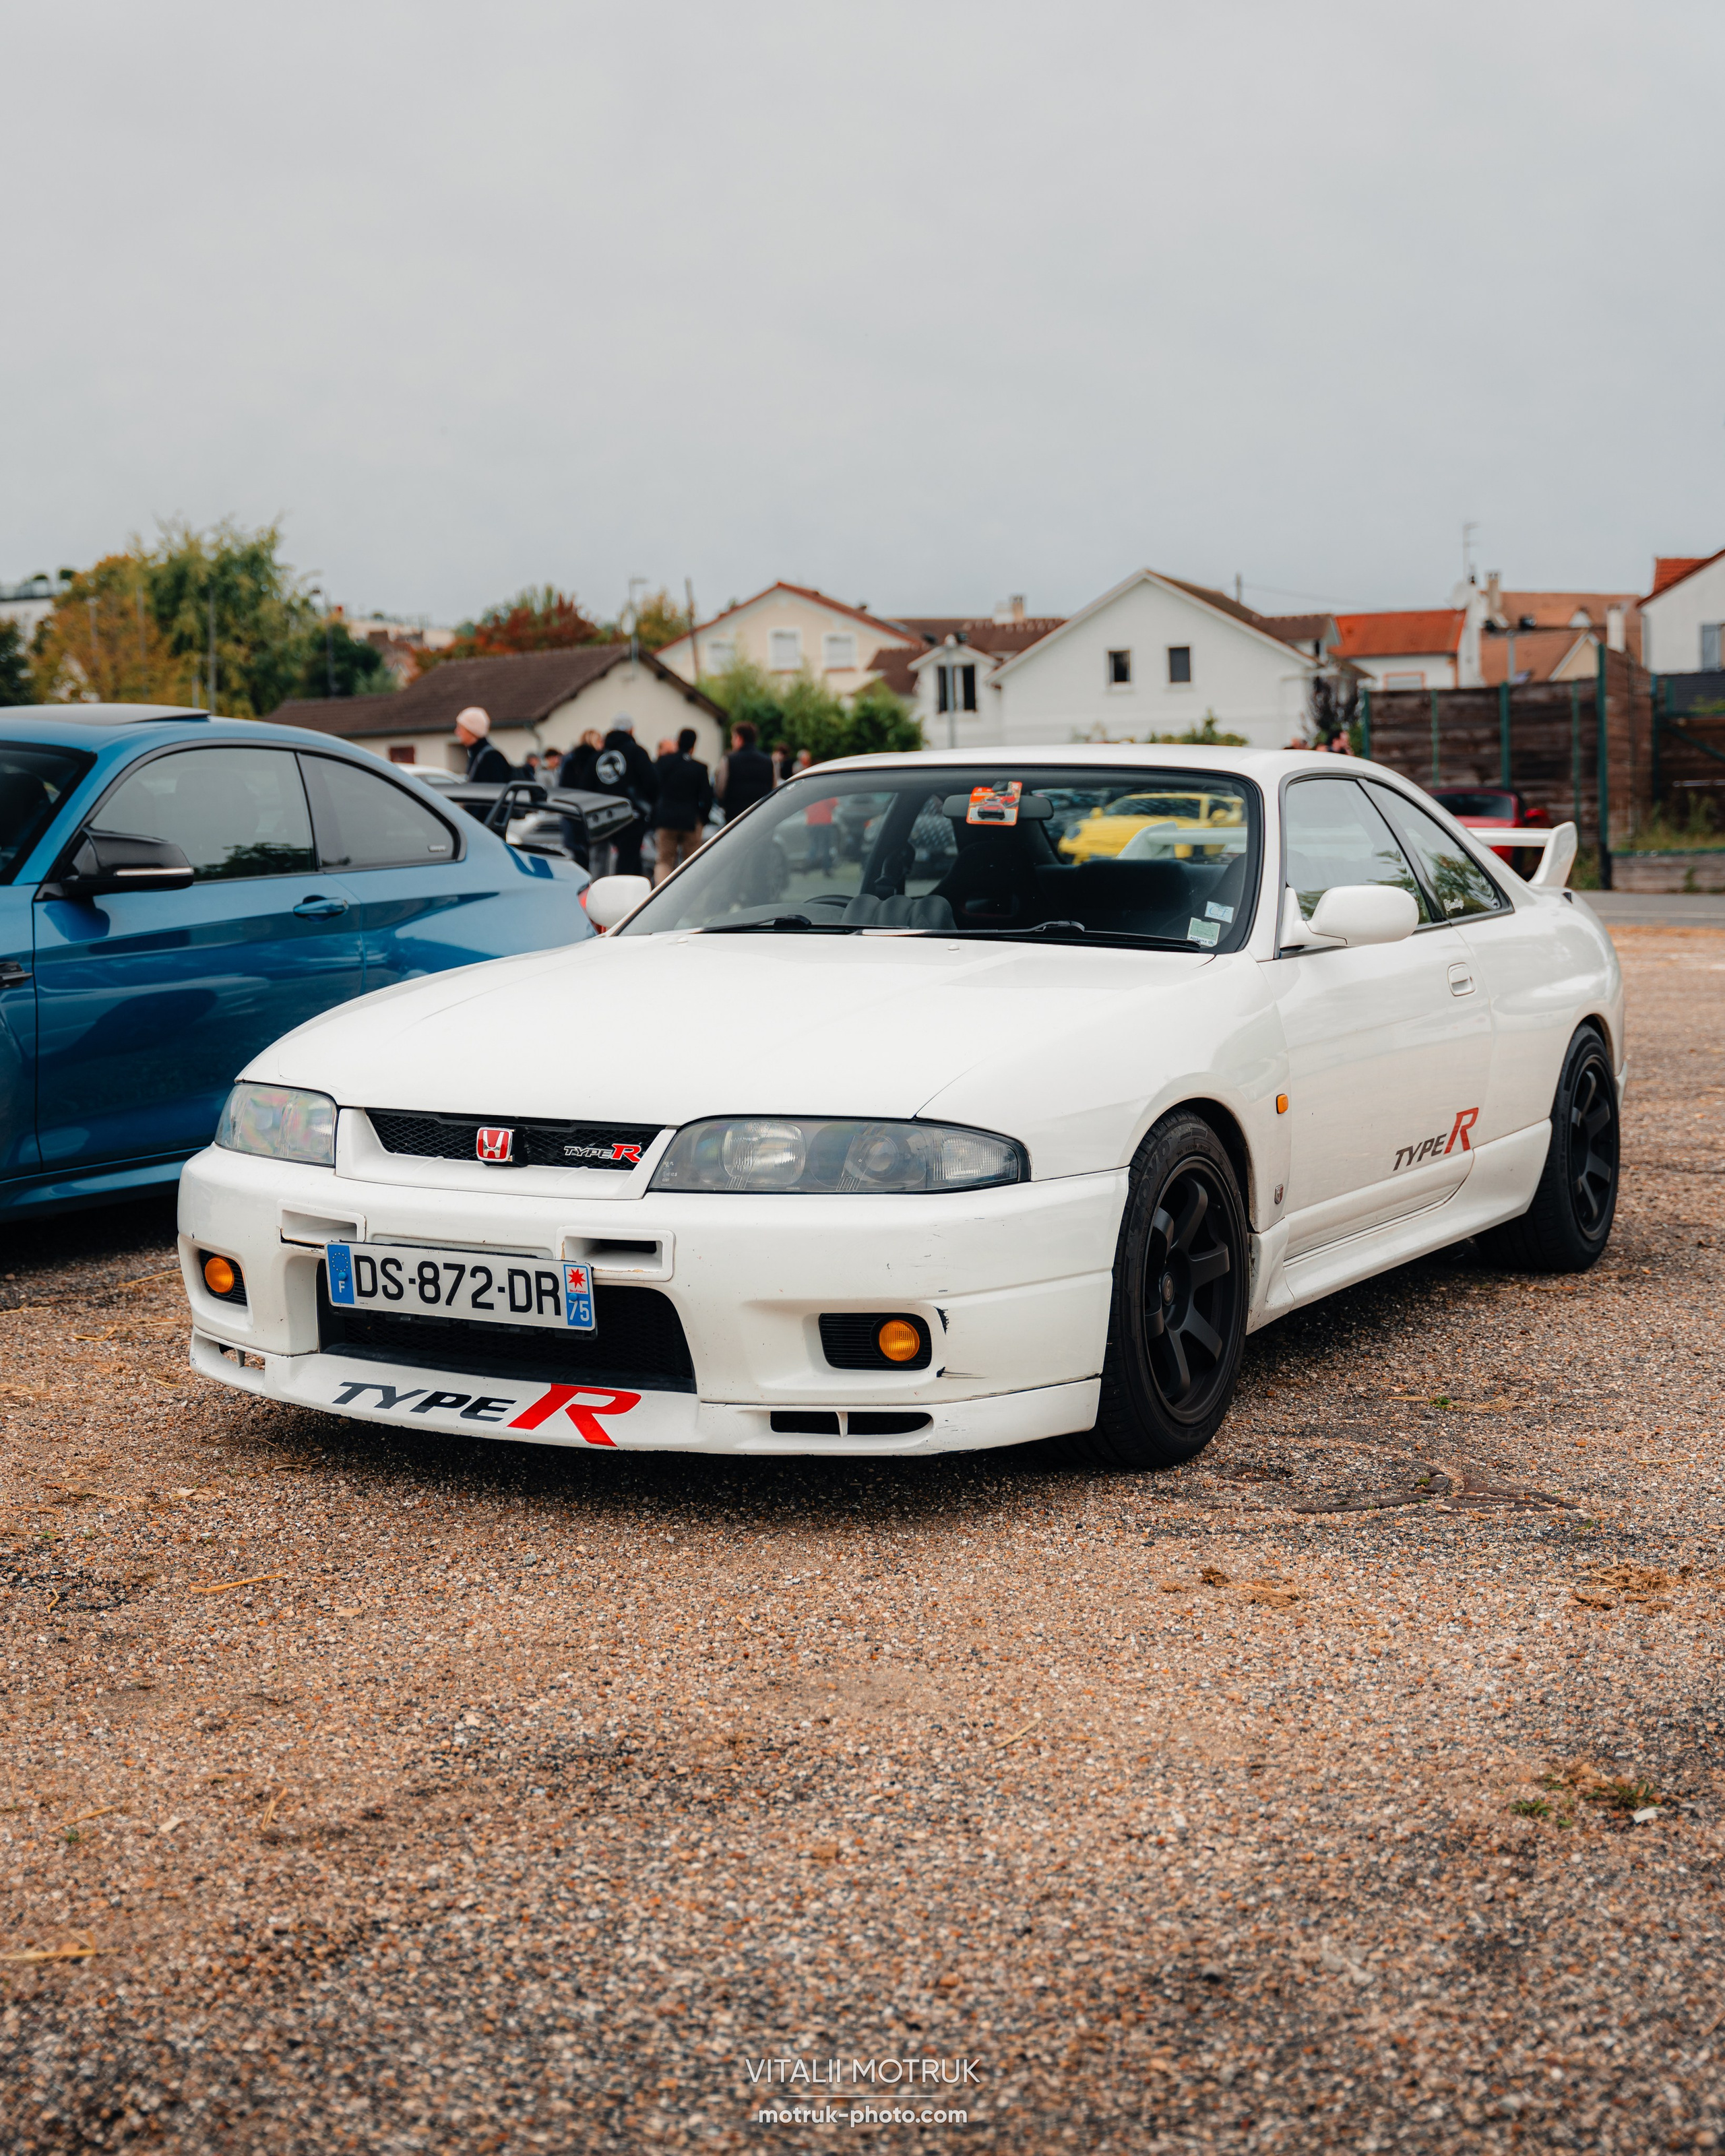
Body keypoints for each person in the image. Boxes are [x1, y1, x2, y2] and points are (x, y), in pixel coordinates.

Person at [575, 715, 658, 879]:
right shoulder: (637, 752)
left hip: (602, 817)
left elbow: (585, 788)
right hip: (631, 815)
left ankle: (604, 894)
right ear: (632, 730)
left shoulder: (597, 757)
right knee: (628, 863)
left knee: (602, 862)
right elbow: (653, 783)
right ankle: (628, 899)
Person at [650, 727, 713, 885]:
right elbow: (707, 797)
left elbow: (653, 789)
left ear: (678, 742)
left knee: (664, 860)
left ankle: (661, 894)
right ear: (693, 746)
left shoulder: (663, 763)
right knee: (691, 862)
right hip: (690, 820)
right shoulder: (700, 768)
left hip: (666, 819)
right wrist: (703, 819)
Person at [714, 720, 776, 822]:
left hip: (735, 817)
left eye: (733, 738)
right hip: (762, 815)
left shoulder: (728, 760)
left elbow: (720, 789)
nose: (732, 741)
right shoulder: (769, 761)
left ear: (739, 738)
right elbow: (774, 787)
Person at [454, 707, 511, 785]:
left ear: (471, 730)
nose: (457, 732)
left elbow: (495, 792)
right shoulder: (477, 754)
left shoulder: (491, 757)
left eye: (460, 728)